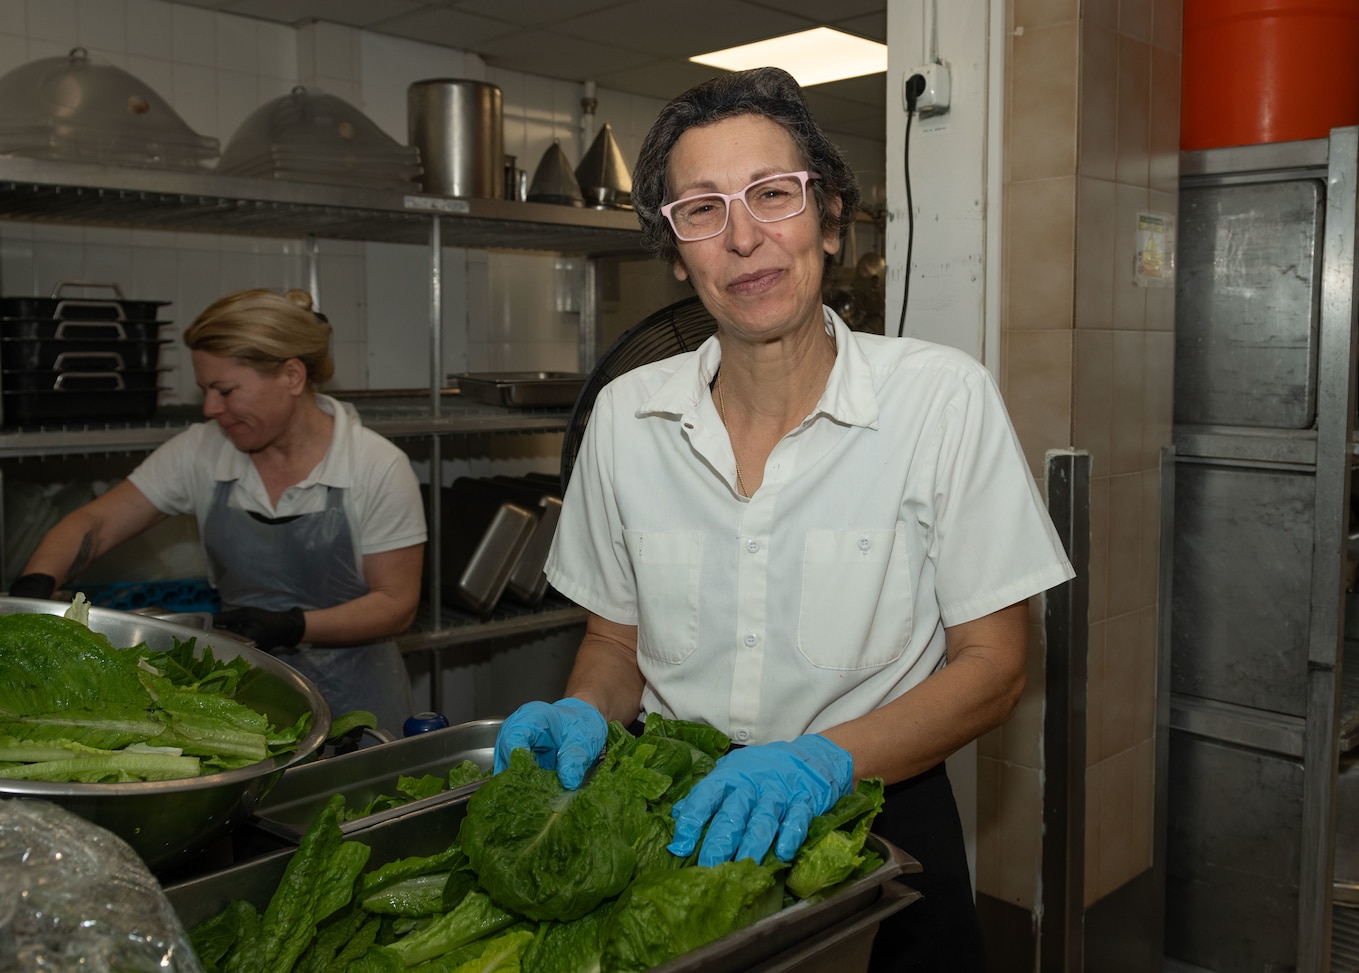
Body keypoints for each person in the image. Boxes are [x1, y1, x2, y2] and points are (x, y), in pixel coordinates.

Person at [491, 67, 1074, 970]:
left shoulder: (940, 400)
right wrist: (582, 710)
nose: (744, 238)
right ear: (677, 253)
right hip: (677, 816)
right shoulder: (625, 418)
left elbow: (994, 669)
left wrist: (821, 763)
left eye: (774, 194)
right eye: (702, 209)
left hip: (879, 822)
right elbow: (614, 645)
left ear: (829, 219)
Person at [7, 288, 427, 737]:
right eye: (206, 390)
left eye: (225, 390)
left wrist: (291, 625)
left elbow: (395, 605)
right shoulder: (202, 451)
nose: (210, 408)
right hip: (243, 701)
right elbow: (96, 523)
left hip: (359, 706)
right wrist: (31, 594)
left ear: (291, 376)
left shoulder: (374, 466)